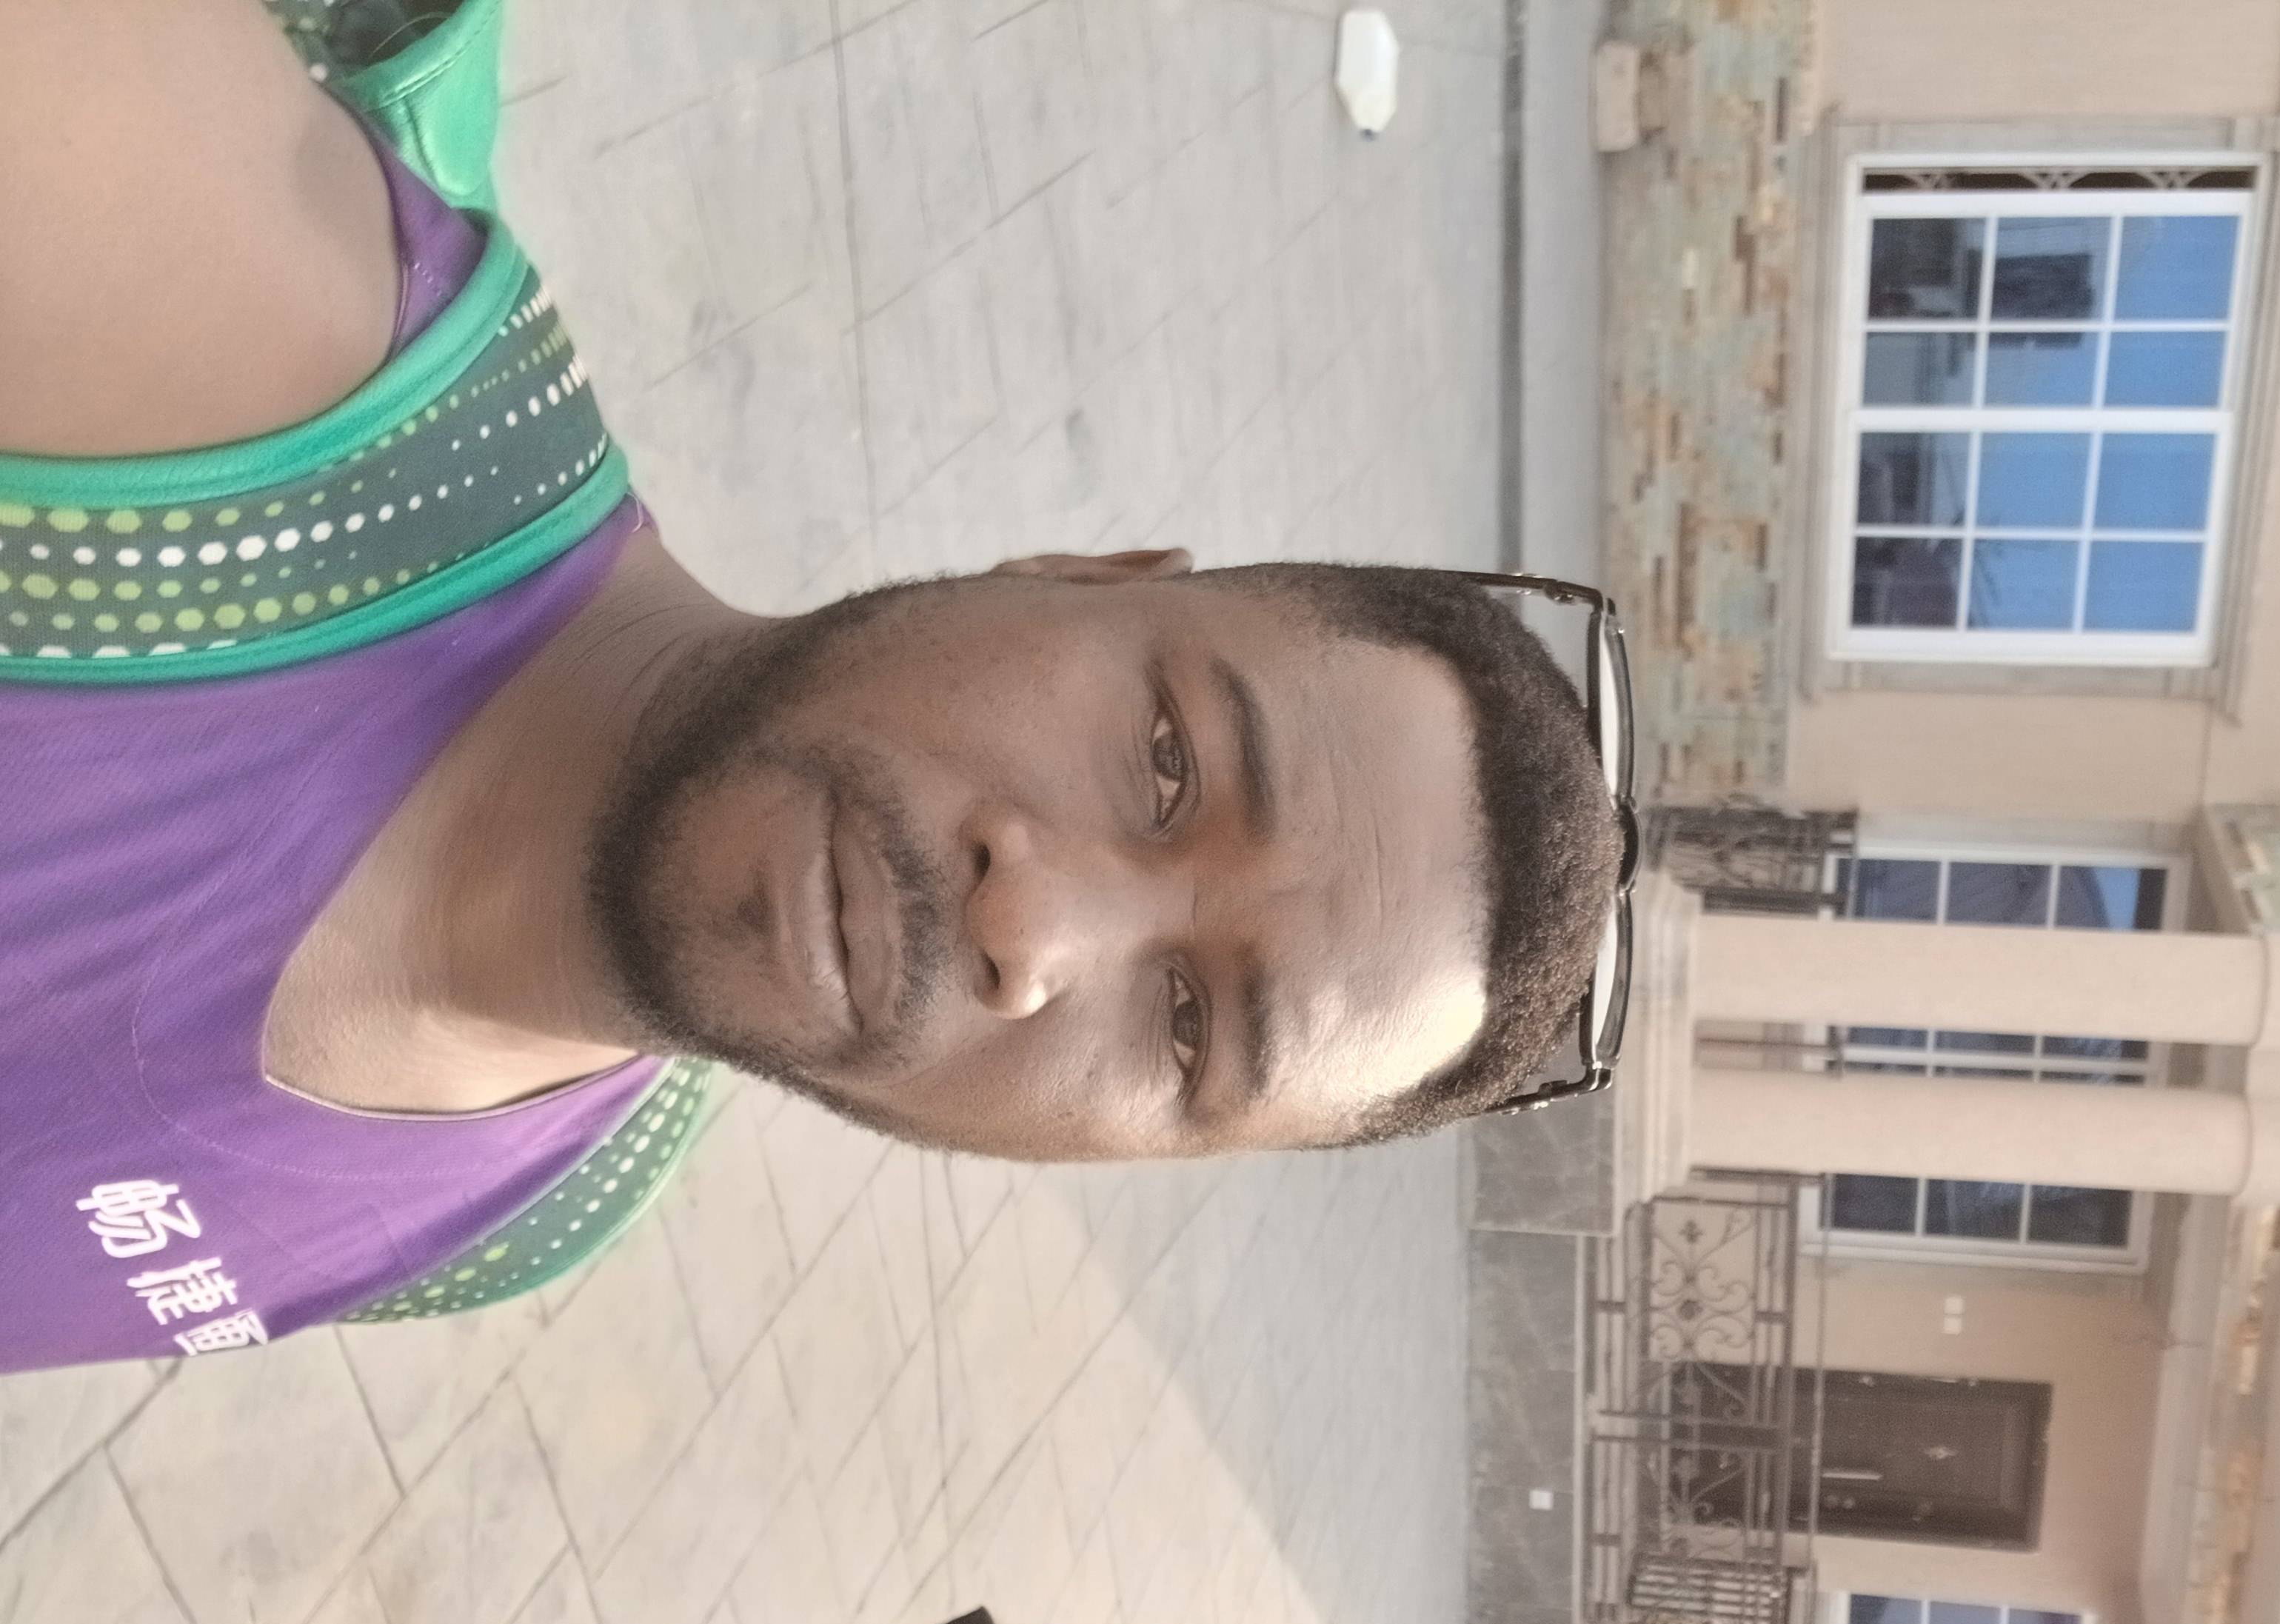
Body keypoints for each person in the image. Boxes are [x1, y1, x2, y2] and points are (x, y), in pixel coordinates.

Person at [0, 0, 1628, 1372]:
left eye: (1190, 1027)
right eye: (1167, 759)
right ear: (1083, 570)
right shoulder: (248, 376)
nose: (1032, 926)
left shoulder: (531, 1209)